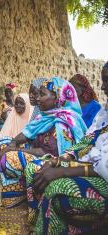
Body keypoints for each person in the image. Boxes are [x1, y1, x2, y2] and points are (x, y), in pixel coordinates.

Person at [25, 64, 108, 234]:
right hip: (90, 165)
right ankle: (44, 226)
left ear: (59, 97)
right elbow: (85, 143)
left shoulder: (72, 117)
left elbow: (104, 166)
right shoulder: (104, 114)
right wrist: (59, 161)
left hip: (103, 175)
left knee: (56, 187)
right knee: (40, 170)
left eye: (106, 80)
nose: (102, 87)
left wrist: (63, 170)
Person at [0, 77, 87, 208]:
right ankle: (18, 183)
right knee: (1, 145)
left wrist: (14, 150)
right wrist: (12, 143)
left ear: (58, 98)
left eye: (42, 94)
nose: (38, 98)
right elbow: (25, 134)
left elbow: (47, 153)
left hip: (51, 162)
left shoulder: (63, 122)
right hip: (35, 152)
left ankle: (18, 186)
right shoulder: (45, 116)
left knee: (9, 158)